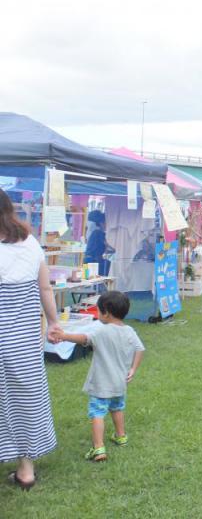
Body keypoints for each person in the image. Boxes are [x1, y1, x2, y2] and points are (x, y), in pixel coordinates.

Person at [0, 188, 60, 490]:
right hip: (24, 342)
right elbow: (45, 288)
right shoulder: (29, 242)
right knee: (26, 401)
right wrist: (54, 322)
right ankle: (26, 470)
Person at [52, 291, 145, 462]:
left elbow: (83, 338)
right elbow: (140, 349)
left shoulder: (101, 331)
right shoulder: (130, 331)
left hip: (101, 384)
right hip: (120, 383)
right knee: (117, 408)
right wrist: (133, 369)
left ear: (106, 312)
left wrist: (63, 336)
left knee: (97, 413)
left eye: (98, 310)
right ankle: (121, 436)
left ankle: (98, 448)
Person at [84, 209, 115, 276]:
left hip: (87, 261)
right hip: (93, 262)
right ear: (101, 223)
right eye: (106, 222)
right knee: (97, 279)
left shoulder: (93, 232)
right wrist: (116, 249)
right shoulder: (99, 232)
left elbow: (105, 249)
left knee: (87, 280)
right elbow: (108, 246)